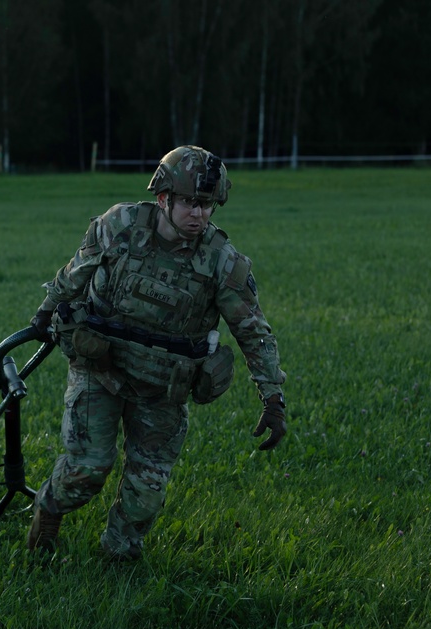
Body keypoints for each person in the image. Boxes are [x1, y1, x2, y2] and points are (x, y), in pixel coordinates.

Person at [26, 145, 287, 559]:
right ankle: (48, 513)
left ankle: (118, 561)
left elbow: (252, 329)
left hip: (163, 386)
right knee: (86, 470)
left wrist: (272, 397)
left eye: (207, 205)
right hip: (101, 368)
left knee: (146, 493)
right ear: (164, 198)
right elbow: (75, 273)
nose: (199, 215)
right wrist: (43, 317)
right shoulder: (121, 225)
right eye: (190, 203)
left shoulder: (222, 262)